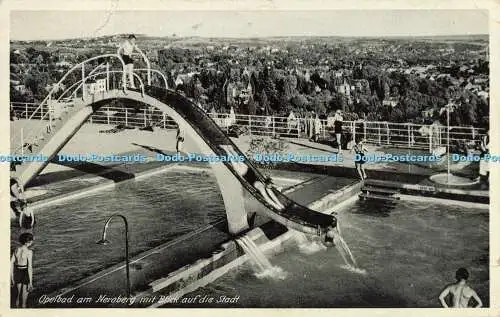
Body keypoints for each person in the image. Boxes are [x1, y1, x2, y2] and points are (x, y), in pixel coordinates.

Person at [11, 233, 34, 308]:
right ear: (28, 242)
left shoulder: (16, 250)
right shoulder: (29, 252)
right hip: (25, 273)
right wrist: (30, 282)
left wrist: (12, 278)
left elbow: (11, 264)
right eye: (32, 240)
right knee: (24, 301)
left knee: (17, 297)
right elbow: (30, 268)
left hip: (17, 272)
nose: (33, 241)